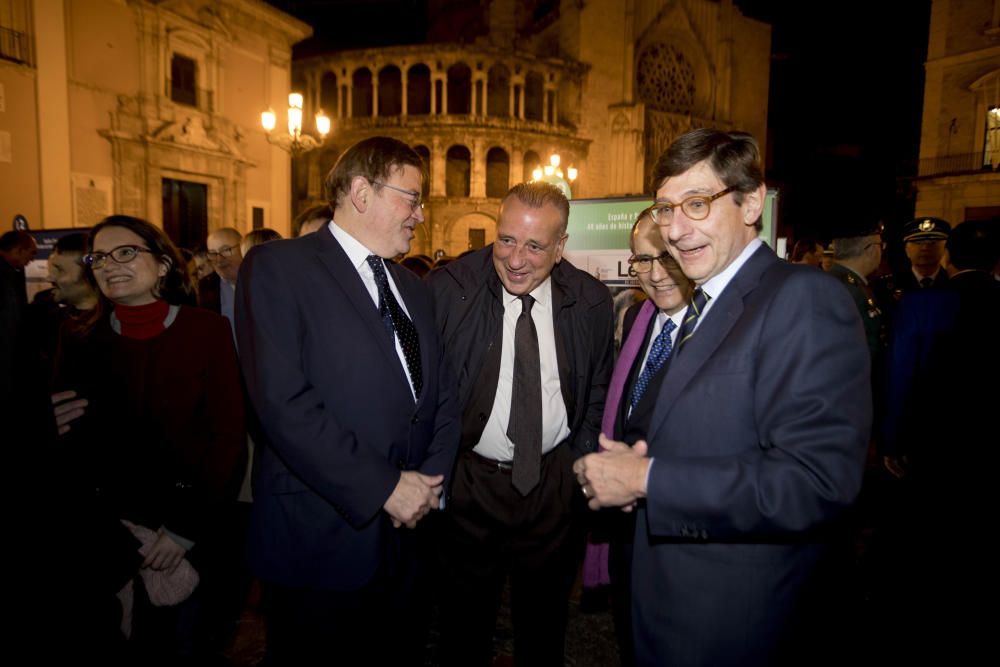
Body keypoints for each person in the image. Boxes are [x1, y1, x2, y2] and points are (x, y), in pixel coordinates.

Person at [573, 129, 871, 666]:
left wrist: (646, 480)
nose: (677, 230)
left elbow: (818, 483)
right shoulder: (705, 304)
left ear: (752, 201)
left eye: (696, 204)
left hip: (738, 627)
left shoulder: (801, 298)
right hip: (669, 612)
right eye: (666, 209)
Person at [235, 136, 460, 665]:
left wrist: (428, 485)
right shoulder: (277, 268)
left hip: (408, 539)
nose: (421, 215)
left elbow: (441, 396)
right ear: (362, 191)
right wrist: (384, 487)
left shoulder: (415, 287)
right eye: (412, 197)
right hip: (321, 536)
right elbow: (283, 404)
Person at [427, 181, 614, 667]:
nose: (515, 259)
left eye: (534, 246)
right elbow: (426, 394)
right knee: (462, 632)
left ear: (560, 247)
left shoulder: (591, 300)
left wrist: (580, 461)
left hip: (553, 487)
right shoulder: (450, 291)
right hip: (470, 486)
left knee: (544, 629)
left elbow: (596, 387)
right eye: (506, 239)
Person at [52, 215, 246, 661]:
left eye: (125, 252)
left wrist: (183, 530)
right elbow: (70, 443)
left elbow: (228, 440)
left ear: (162, 266)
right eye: (99, 257)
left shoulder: (207, 331)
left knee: (184, 648)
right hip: (108, 535)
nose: (109, 265)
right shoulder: (79, 336)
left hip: (190, 529)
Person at [602, 208, 694, 666]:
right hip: (627, 528)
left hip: (683, 530)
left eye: (667, 258)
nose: (656, 275)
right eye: (642, 261)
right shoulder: (636, 316)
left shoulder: (718, 331)